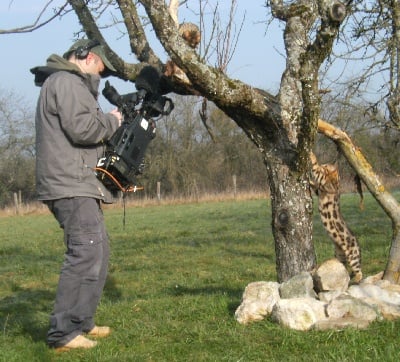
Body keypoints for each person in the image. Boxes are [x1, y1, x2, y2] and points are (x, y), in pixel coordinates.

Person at [31, 39, 123, 351]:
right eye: (101, 68)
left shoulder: (67, 83)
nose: (102, 74)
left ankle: (82, 321)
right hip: (70, 183)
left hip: (78, 181)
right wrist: (113, 121)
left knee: (97, 250)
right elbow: (83, 129)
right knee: (85, 252)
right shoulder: (67, 82)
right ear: (88, 57)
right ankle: (62, 334)